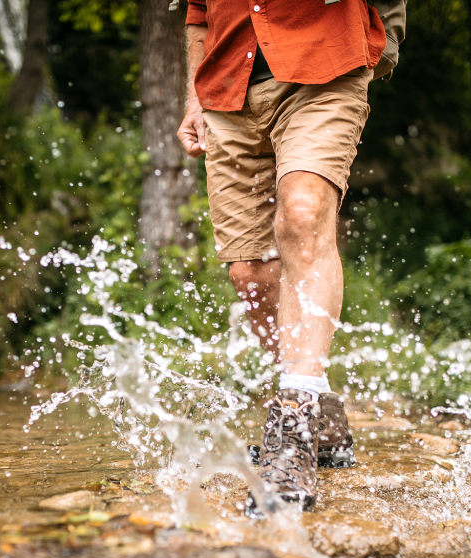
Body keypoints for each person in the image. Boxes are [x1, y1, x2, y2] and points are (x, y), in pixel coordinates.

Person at [176, 0, 406, 512]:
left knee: (303, 214)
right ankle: (319, 413)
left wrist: (382, 44)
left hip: (324, 66)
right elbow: (196, 11)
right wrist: (193, 95)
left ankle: (293, 427)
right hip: (226, 87)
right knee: (250, 274)